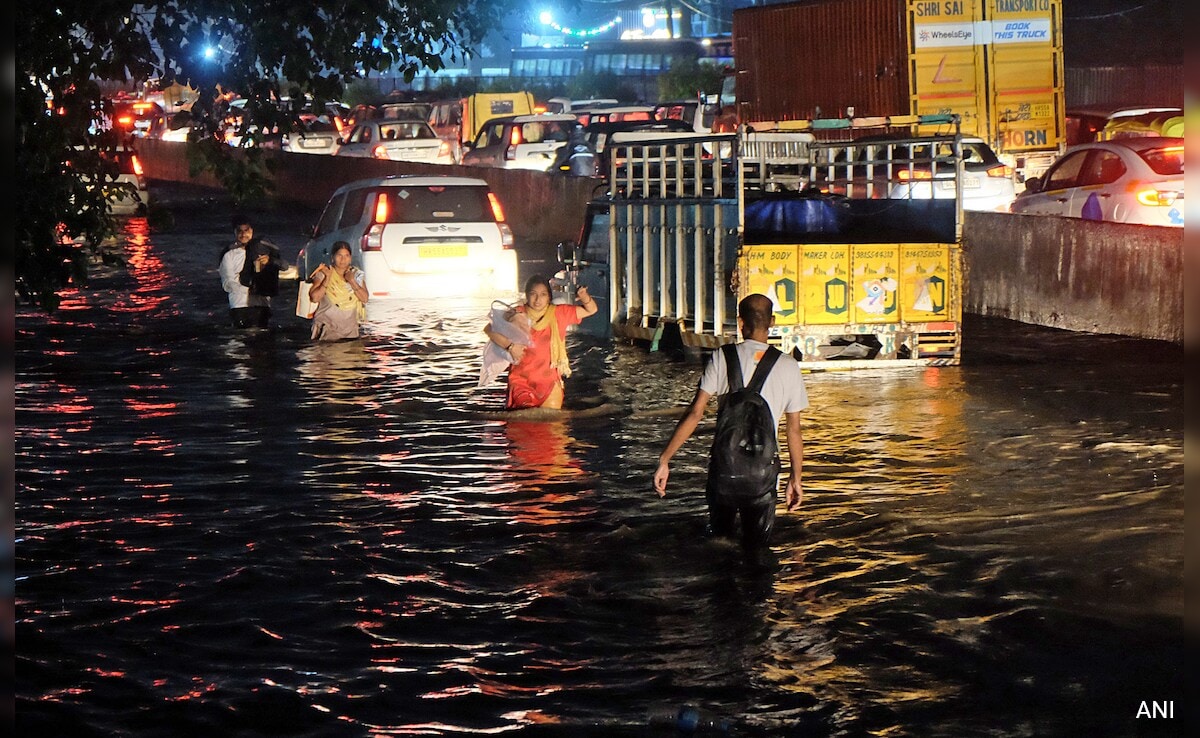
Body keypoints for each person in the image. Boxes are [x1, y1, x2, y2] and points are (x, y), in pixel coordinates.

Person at [653, 293, 808, 554]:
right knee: (757, 552)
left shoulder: (721, 357)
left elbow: (695, 413)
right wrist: (796, 477)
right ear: (772, 321)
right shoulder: (788, 366)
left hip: (724, 471)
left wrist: (665, 460)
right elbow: (794, 430)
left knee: (719, 547)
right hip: (762, 476)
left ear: (739, 322)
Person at [483, 275, 598, 410]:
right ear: (526, 295)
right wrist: (510, 346)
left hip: (549, 382)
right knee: (521, 427)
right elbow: (489, 329)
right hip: (521, 381)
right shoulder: (517, 314)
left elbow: (591, 310)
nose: (538, 300)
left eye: (543, 294)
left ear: (549, 297)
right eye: (533, 294)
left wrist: (584, 296)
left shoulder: (559, 313)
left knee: (553, 427)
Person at [218, 215, 287, 328]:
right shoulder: (229, 254)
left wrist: (270, 261)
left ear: (252, 231)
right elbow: (227, 282)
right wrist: (249, 289)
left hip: (262, 304)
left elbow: (285, 267)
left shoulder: (265, 251)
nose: (243, 234)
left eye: (246, 230)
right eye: (239, 231)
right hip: (240, 305)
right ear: (235, 232)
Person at [307, 241, 368, 340]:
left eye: (346, 255)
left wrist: (352, 281)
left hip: (350, 331)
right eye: (339, 255)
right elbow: (314, 298)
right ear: (332, 257)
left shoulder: (356, 275)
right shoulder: (324, 273)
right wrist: (327, 278)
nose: (343, 259)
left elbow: (365, 298)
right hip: (328, 329)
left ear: (350, 258)